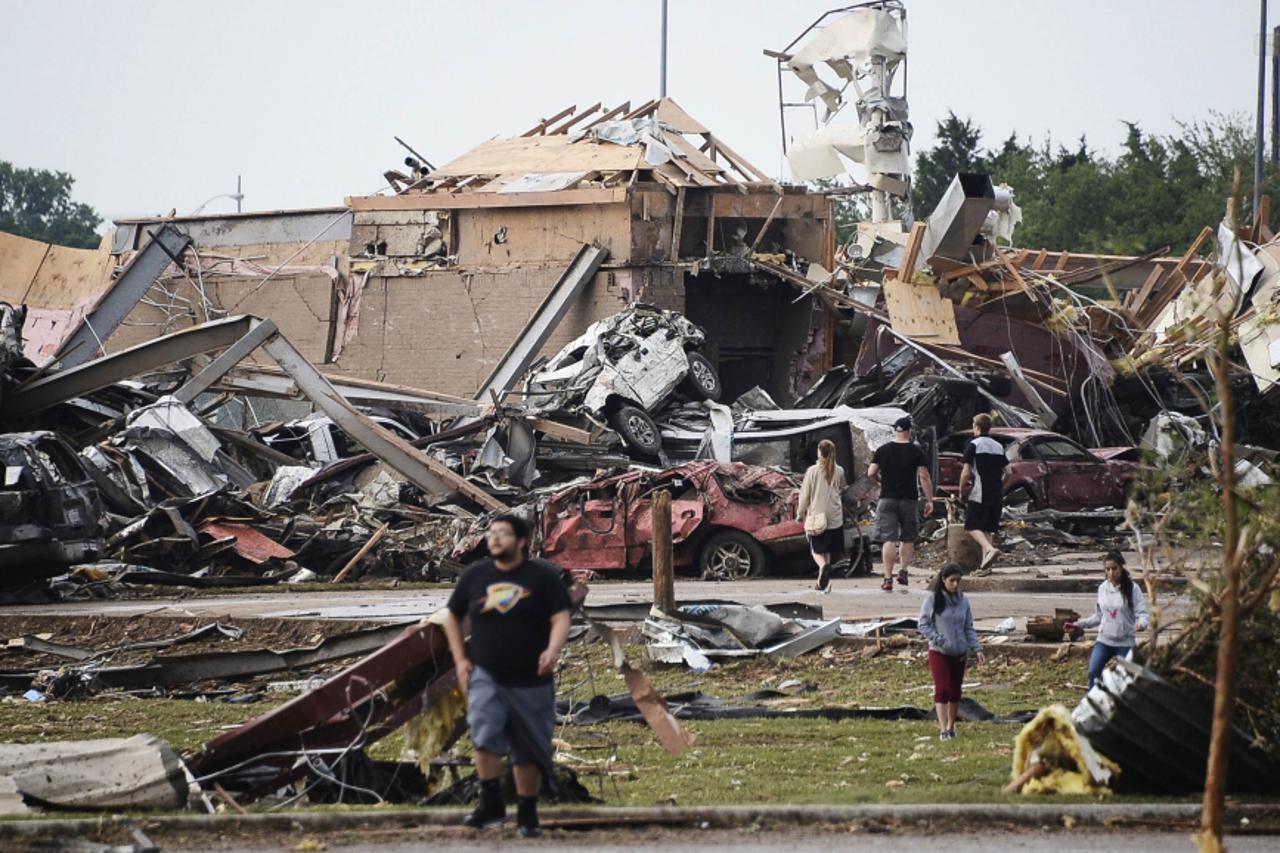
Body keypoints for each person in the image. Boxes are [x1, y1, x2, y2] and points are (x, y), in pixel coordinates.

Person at [443, 513, 572, 837]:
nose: (494, 539)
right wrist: (460, 660)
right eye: (492, 534)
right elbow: (451, 617)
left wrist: (553, 650)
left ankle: (527, 814)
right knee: (484, 734)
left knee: (528, 746)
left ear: (522, 542)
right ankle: (491, 805)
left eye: (502, 533)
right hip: (487, 673)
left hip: (533, 677)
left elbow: (560, 617)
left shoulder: (541, 577)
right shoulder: (475, 576)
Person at [917, 562, 985, 741]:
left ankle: (951, 725)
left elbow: (968, 627)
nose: (955, 584)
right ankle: (942, 728)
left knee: (955, 691)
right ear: (943, 580)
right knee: (943, 688)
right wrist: (938, 638)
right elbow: (923, 624)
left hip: (959, 651)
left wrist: (977, 648)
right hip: (939, 651)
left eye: (958, 581)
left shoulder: (963, 600)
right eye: (952, 581)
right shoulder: (933, 599)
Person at [1064, 551, 1149, 688]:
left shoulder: (1133, 589)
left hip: (1125, 642)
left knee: (1127, 679)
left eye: (1114, 568)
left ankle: (1122, 705)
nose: (1111, 572)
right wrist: (1078, 625)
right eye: (1107, 569)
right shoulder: (1102, 588)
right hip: (1104, 641)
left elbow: (1143, 613)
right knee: (1093, 672)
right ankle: (1093, 702)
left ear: (1121, 568)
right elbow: (1098, 616)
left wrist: (1141, 624)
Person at [867, 415, 933, 592]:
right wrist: (929, 500)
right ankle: (903, 572)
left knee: (889, 539)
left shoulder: (883, 450)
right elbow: (924, 476)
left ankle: (887, 578)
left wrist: (880, 482)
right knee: (907, 537)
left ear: (895, 431)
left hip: (887, 499)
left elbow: (871, 472)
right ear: (909, 432)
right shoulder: (916, 451)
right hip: (908, 500)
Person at [957, 413, 1008, 570]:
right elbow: (1009, 471)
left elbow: (965, 472)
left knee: (972, 526)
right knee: (987, 529)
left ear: (976, 427)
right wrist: (1000, 484)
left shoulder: (974, 445)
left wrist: (961, 490)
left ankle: (989, 549)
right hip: (997, 491)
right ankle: (986, 565)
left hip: (980, 492)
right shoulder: (998, 446)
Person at [797, 438, 846, 593]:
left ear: (819, 452)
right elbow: (842, 489)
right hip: (835, 517)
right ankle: (822, 583)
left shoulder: (812, 471)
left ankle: (822, 566)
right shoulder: (839, 470)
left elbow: (805, 495)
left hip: (818, 517)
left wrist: (800, 513)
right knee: (827, 550)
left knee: (816, 550)